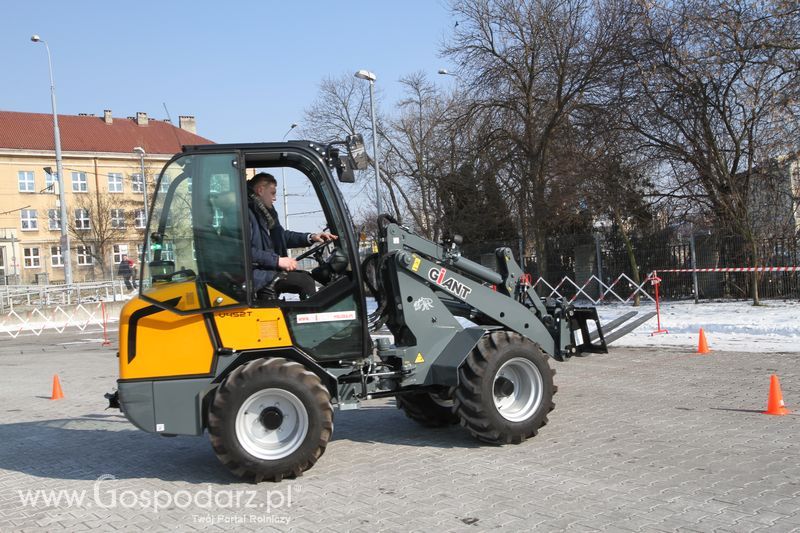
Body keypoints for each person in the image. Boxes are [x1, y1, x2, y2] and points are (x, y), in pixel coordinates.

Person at [248, 172, 337, 299]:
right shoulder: (247, 214)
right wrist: (278, 261)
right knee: (304, 281)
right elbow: (245, 252)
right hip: (254, 274)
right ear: (260, 190)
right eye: (272, 193)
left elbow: (281, 237)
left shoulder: (266, 214)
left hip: (264, 270)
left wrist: (311, 237)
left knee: (305, 277)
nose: (275, 198)